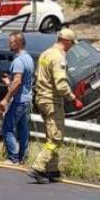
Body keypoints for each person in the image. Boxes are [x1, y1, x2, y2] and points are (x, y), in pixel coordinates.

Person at [28, 28, 82, 184]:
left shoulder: (45, 53)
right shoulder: (58, 57)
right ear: (66, 41)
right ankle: (38, 167)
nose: (71, 47)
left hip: (42, 99)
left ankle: (52, 170)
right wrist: (73, 98)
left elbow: (39, 76)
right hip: (52, 100)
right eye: (71, 43)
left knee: (51, 136)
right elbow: (60, 84)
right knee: (56, 137)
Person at [0, 32, 34, 165]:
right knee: (23, 129)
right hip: (27, 99)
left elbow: (18, 82)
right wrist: (9, 82)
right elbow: (21, 82)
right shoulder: (29, 58)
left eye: (11, 42)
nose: (9, 44)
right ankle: (22, 157)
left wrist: (5, 99)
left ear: (18, 43)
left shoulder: (18, 61)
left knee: (7, 127)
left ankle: (13, 158)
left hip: (19, 101)